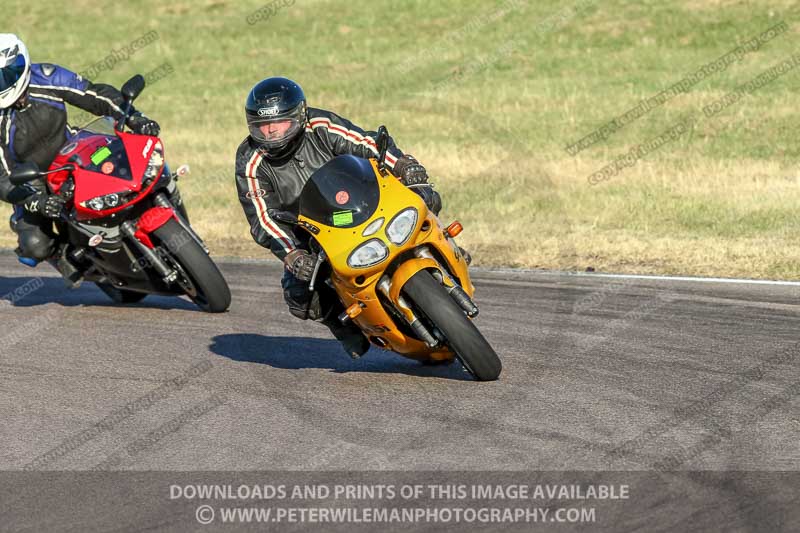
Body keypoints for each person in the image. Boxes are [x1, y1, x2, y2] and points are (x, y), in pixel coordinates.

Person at [235, 76, 460, 358]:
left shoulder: (320, 125)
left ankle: (447, 247)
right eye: (263, 125)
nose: (271, 132)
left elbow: (364, 142)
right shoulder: (250, 160)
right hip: (314, 233)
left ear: (299, 116)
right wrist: (293, 253)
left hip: (365, 200)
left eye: (279, 123)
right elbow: (262, 218)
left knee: (425, 197)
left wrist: (403, 165)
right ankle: (345, 328)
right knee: (300, 293)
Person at [0, 33, 160, 269]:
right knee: (35, 246)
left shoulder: (47, 77)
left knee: (128, 165)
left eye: (7, 74)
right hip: (31, 180)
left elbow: (94, 95)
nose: (3, 82)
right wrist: (35, 201)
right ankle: (67, 258)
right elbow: (2, 178)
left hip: (74, 152)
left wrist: (134, 117)